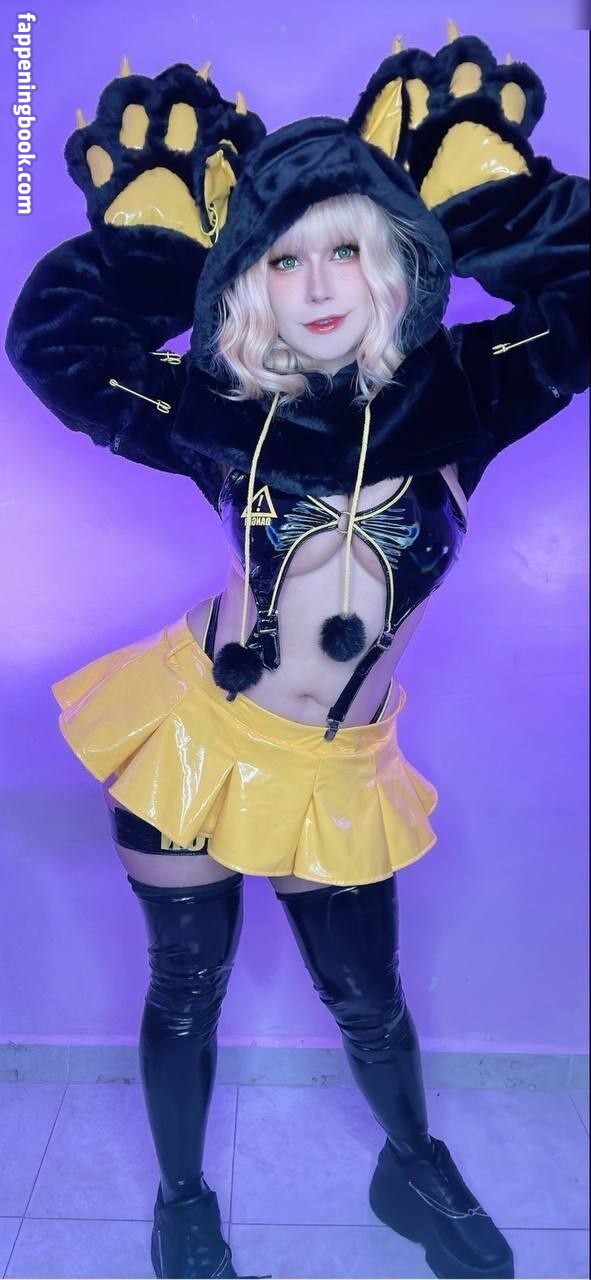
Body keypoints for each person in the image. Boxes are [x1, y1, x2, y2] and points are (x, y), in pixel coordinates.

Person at [4, 27, 588, 1280]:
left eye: (346, 247)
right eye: (281, 257)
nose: (317, 284)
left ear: (391, 257)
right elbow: (49, 338)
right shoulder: (218, 402)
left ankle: (412, 1165)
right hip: (194, 736)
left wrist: (493, 205)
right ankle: (181, 1203)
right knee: (185, 989)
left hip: (334, 764)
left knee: (370, 1001)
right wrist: (163, 254)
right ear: (249, 279)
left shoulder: (463, 388)